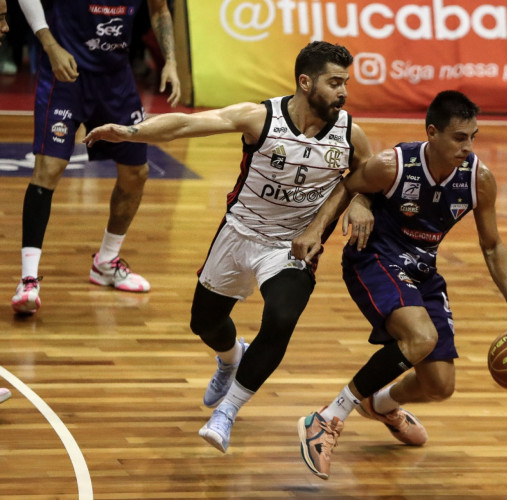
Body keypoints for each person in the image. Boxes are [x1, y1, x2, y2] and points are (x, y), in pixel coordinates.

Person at [83, 41, 374, 454]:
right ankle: (230, 357)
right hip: (239, 233)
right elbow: (186, 125)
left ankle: (228, 412)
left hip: (290, 247)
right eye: (335, 82)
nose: (344, 92)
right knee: (204, 322)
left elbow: (368, 173)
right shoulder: (261, 117)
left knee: (281, 317)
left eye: (346, 82)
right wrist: (130, 132)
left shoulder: (349, 133)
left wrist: (360, 202)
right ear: (305, 83)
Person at [292, 90, 507, 480]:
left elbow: (492, 245)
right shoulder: (393, 165)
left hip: (422, 270)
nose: (468, 148)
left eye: (473, 136)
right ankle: (327, 417)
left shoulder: (479, 180)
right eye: (459, 138)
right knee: (420, 338)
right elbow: (348, 184)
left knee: (439, 385)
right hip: (374, 258)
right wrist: (343, 213)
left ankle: (382, 404)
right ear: (432, 133)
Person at [11, 0, 181, 315]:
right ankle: (28, 279)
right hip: (65, 73)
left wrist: (170, 60)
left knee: (136, 173)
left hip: (116, 80)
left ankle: (105, 262)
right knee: (49, 168)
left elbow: (159, 10)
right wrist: (49, 45)